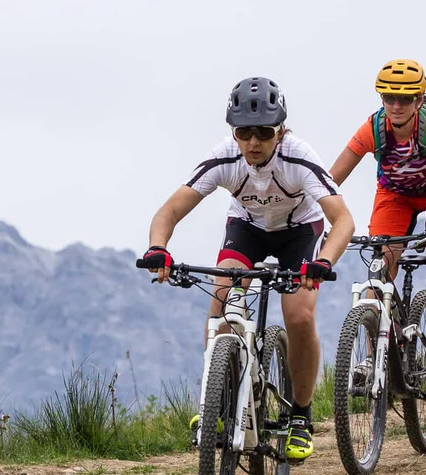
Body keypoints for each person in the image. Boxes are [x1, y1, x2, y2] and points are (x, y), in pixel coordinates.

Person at [138, 76, 355, 462]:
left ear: (281, 130)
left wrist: (323, 263)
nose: (253, 142)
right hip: (248, 229)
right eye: (243, 132)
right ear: (233, 132)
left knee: (300, 316)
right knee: (220, 301)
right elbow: (168, 211)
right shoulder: (226, 157)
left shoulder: (299, 157)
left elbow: (343, 221)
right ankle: (217, 405)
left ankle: (301, 416)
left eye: (263, 132)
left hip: (299, 233)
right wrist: (158, 248)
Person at [325, 58, 426, 402]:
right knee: (380, 269)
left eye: (405, 98)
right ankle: (374, 357)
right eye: (389, 97)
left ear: (419, 100)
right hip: (396, 196)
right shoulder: (374, 128)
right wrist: (308, 214)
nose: (396, 105)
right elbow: (329, 181)